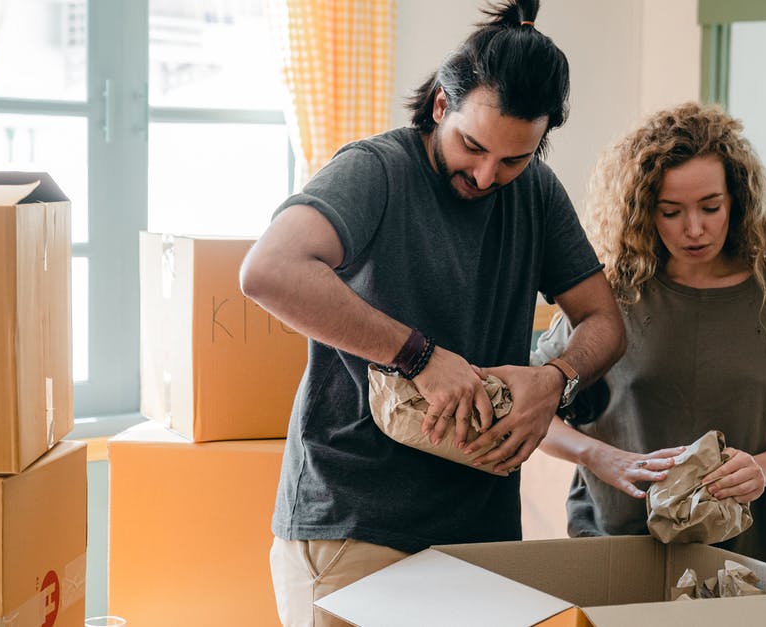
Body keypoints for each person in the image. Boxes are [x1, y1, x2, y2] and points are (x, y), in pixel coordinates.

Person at [239, 1, 625, 623]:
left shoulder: (537, 193)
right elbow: (269, 270)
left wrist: (554, 380)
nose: (485, 174)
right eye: (472, 146)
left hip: (482, 534)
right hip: (355, 528)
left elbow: (605, 323)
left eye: (513, 159)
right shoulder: (376, 172)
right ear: (442, 105)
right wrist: (419, 356)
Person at [535, 102, 766, 575]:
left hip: (747, 554)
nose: (695, 228)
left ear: (737, 200)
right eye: (671, 211)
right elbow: (533, 407)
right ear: (644, 211)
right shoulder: (611, 298)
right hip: (620, 549)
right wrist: (600, 456)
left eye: (710, 207)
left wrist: (762, 468)